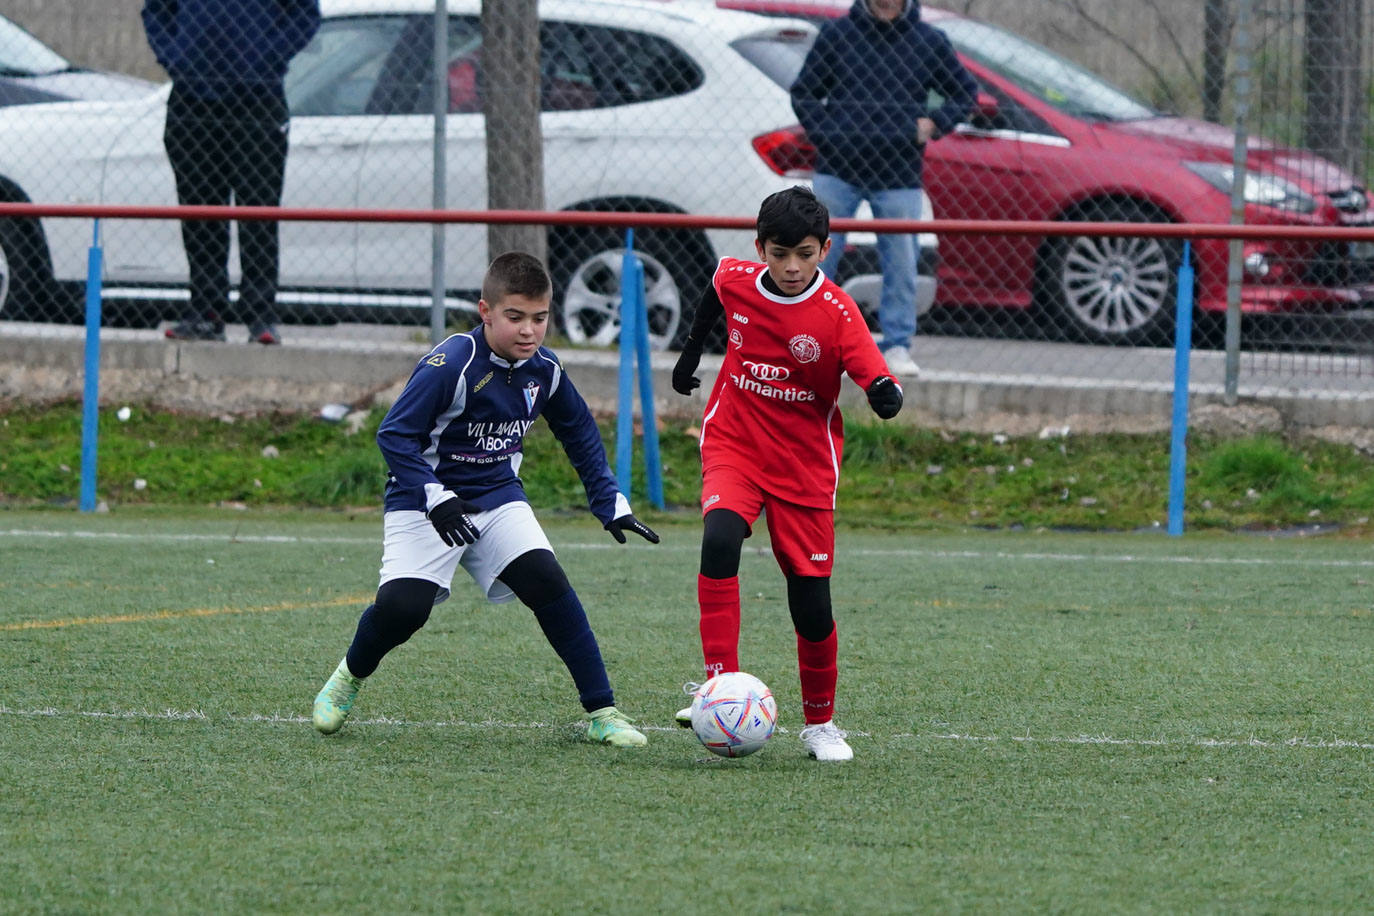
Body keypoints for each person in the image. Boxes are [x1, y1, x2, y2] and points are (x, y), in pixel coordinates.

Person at [311, 252, 660, 747]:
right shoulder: (451, 363)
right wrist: (435, 496)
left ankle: (603, 712)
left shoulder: (546, 369)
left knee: (547, 581)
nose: (528, 331)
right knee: (403, 609)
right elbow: (393, 436)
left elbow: (579, 432)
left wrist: (610, 502)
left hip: (497, 498)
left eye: (539, 318)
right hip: (424, 501)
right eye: (514, 317)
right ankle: (348, 676)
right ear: (486, 311)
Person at [670, 186, 906, 761]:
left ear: (825, 249)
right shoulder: (736, 278)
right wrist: (689, 353)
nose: (792, 266)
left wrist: (882, 391)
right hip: (737, 442)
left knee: (810, 601)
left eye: (804, 253)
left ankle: (820, 724)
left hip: (804, 464)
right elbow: (711, 295)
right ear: (761, 248)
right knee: (719, 538)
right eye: (779, 254)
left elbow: (871, 369)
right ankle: (719, 687)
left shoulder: (837, 311)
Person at [790, 0, 977, 377]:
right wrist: (829, 135)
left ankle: (896, 347)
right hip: (837, 170)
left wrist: (935, 123)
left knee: (901, 263)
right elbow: (804, 93)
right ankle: (807, 343)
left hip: (898, 174)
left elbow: (964, 93)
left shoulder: (929, 40)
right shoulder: (837, 35)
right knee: (816, 257)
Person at [142, 0, 321, 345]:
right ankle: (206, 312)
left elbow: (305, 15)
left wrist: (266, 59)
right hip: (192, 102)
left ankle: (261, 316)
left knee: (258, 211)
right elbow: (155, 13)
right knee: (200, 212)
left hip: (258, 101)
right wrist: (177, 59)